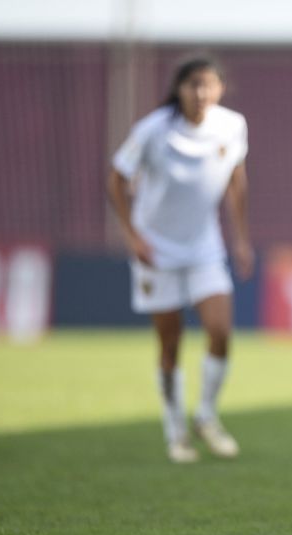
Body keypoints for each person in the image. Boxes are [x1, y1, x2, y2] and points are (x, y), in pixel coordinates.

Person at [107, 56, 253, 464]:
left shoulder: (232, 125)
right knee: (170, 344)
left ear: (220, 89)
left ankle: (206, 415)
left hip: (204, 247)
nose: (201, 93)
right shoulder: (153, 130)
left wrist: (240, 239)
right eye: (193, 85)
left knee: (220, 331)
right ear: (179, 89)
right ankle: (177, 434)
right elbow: (117, 178)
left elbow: (236, 180)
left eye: (209, 85)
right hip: (156, 251)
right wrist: (132, 236)